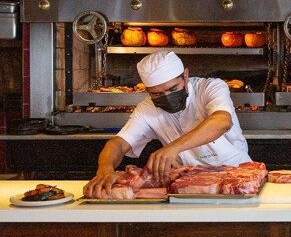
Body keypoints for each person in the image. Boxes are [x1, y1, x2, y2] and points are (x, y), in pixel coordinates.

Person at [83, 51, 251, 198]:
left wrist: (173, 148)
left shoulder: (209, 88)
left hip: (237, 178)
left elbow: (221, 121)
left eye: (172, 89)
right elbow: (118, 144)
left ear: (185, 76)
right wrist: (105, 169)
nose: (167, 97)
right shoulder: (147, 108)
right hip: (189, 187)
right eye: (157, 94)